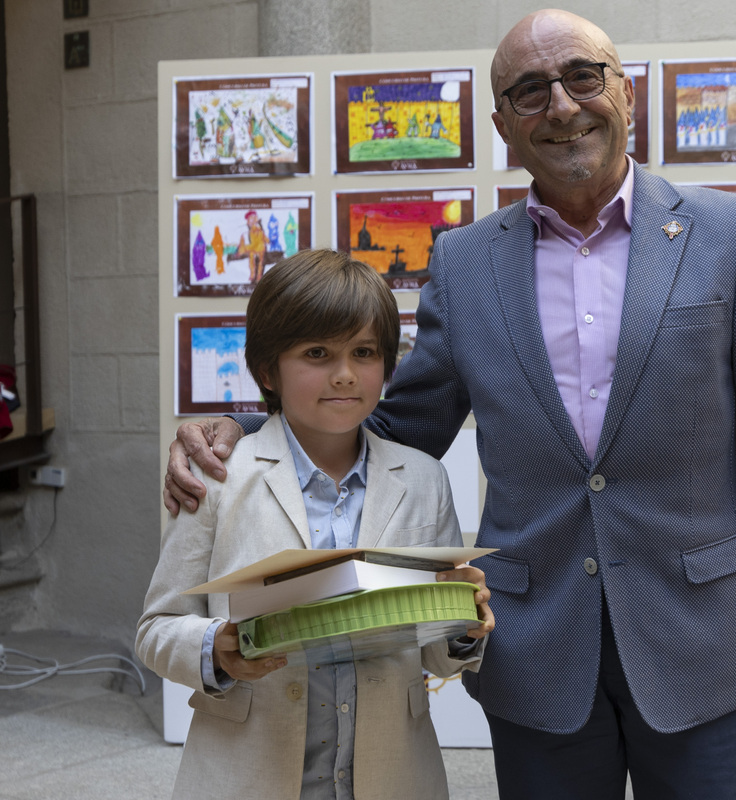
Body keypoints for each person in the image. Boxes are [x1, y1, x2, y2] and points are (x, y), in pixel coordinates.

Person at [163, 9, 736, 799]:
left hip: (702, 644)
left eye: (583, 77)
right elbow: (399, 427)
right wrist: (243, 428)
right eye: (530, 91)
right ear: (503, 123)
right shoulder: (466, 260)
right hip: (534, 649)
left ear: (626, 94)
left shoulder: (730, 233)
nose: (563, 106)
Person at [138, 249, 494, 800]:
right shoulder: (219, 478)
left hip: (392, 773)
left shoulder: (424, 480)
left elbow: (436, 651)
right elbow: (157, 628)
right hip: (248, 772)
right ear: (267, 369)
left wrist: (463, 625)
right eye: (317, 353)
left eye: (365, 352)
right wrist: (215, 647)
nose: (346, 373)